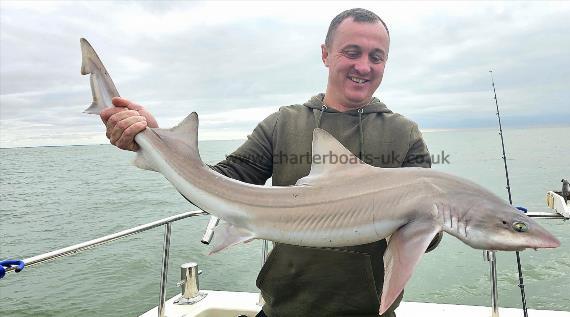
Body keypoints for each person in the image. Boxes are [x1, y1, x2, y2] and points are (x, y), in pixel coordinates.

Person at [102, 8, 441, 317]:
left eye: (376, 57)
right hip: (283, 307)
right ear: (325, 54)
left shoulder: (404, 134)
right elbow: (216, 186)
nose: (364, 66)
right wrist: (155, 139)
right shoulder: (284, 123)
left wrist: (434, 217)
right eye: (351, 52)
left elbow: (431, 238)